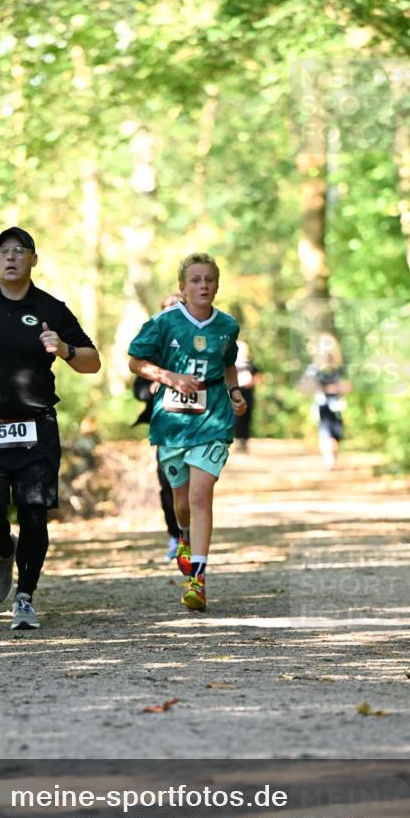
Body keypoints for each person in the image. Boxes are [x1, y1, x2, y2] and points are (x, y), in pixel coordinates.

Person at [0, 227, 100, 629]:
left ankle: (25, 597)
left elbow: (92, 361)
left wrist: (64, 350)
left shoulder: (51, 308)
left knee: (33, 514)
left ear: (34, 259)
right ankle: (3, 548)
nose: (11, 257)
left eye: (20, 251)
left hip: (36, 428)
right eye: (4, 251)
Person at [128, 253, 247, 612]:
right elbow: (135, 361)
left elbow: (228, 366)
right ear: (182, 288)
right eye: (195, 280)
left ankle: (199, 579)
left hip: (213, 420)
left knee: (200, 495)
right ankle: (182, 536)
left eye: (209, 280)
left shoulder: (227, 326)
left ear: (217, 285)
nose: (203, 286)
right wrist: (170, 378)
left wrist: (235, 392)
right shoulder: (164, 323)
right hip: (173, 422)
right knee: (181, 504)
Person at [132, 294, 182, 561]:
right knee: (167, 484)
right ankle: (175, 536)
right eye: (167, 308)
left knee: (194, 484)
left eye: (178, 307)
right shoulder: (152, 345)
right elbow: (138, 387)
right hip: (165, 427)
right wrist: (153, 387)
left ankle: (193, 536)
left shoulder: (200, 341)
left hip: (197, 425)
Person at [299, 333, 351, 469]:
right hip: (322, 407)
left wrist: (334, 388)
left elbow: (348, 386)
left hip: (337, 407)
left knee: (336, 436)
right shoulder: (314, 370)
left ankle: (332, 458)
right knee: (325, 434)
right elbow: (303, 386)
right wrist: (319, 388)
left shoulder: (340, 370)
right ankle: (329, 461)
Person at [233, 339, 262, 451]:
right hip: (235, 393)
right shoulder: (232, 364)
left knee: (246, 417)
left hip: (248, 393)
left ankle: (244, 440)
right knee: (236, 418)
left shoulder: (250, 365)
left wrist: (251, 382)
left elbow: (258, 376)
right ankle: (237, 440)